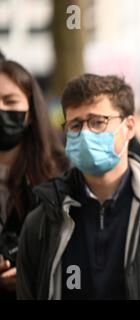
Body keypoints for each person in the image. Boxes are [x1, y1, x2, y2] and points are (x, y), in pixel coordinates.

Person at [16, 74, 140, 300]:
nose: (85, 133)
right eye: (75, 125)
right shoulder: (43, 220)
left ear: (129, 127)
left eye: (98, 122)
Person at [0, 60, 68, 299]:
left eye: (10, 101)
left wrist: (30, 270)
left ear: (30, 113)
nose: (1, 109)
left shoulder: (60, 171)